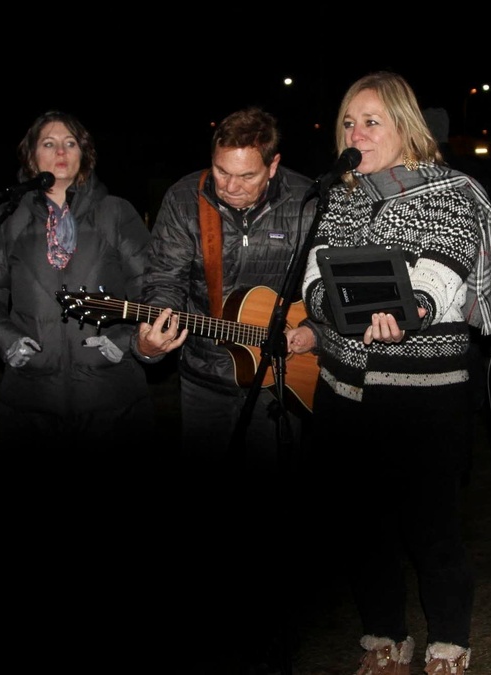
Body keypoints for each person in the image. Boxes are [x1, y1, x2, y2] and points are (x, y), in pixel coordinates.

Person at [286, 71, 491, 675]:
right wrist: (334, 311)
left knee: (430, 527)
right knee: (361, 525)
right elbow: (313, 278)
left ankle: (449, 643)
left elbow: (441, 270)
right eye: (349, 122)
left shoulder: (449, 191)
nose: (357, 132)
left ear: (405, 125)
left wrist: (412, 313)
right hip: (343, 388)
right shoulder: (341, 196)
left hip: (423, 394)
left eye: (371, 120)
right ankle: (383, 636)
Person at [132, 106, 318, 670]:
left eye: (246, 175)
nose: (232, 187)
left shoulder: (312, 200)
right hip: (207, 377)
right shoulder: (186, 198)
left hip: (284, 385)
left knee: (272, 516)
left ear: (274, 166)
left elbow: (334, 283)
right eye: (221, 173)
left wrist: (315, 331)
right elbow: (163, 276)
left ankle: (276, 636)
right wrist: (156, 328)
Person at [0, 110, 156, 648]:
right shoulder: (12, 218)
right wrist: (5, 341)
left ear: (84, 153)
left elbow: (157, 285)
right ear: (31, 157)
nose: (61, 152)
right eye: (48, 143)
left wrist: (123, 343)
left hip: (110, 399)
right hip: (33, 402)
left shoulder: (115, 213)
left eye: (70, 142)